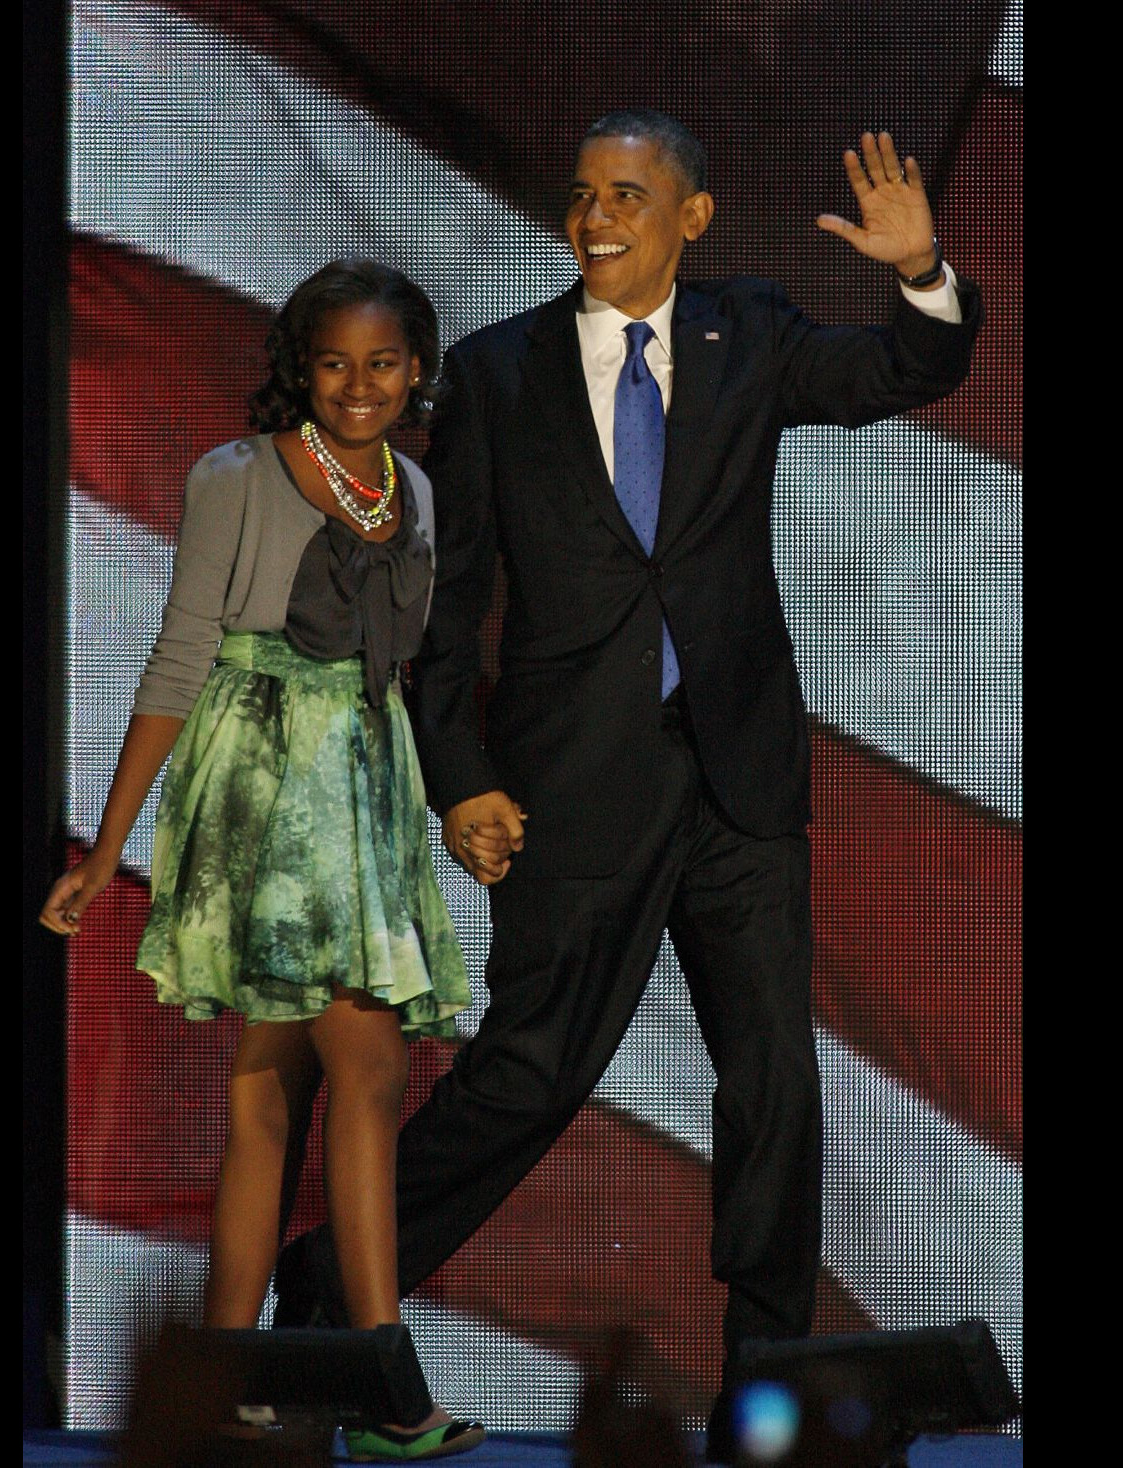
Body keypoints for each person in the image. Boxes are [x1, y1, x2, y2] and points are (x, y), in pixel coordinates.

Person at [273, 114, 982, 1463]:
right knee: (531, 1078)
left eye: (631, 196)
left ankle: (764, 1390)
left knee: (773, 1084)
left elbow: (903, 367)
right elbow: (449, 604)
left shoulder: (751, 335)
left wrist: (922, 274)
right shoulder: (494, 373)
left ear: (691, 220)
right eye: (585, 193)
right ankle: (323, 1306)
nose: (599, 216)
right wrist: (460, 782)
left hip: (738, 782)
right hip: (571, 790)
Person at [40, 258, 487, 1463]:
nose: (358, 386)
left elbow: (406, 674)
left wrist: (449, 807)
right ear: (302, 364)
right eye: (334, 362)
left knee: (273, 1088)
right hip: (265, 783)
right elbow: (181, 656)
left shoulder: (421, 497)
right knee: (371, 1067)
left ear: (415, 372)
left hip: (367, 790)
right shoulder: (234, 478)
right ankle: (385, 1383)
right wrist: (110, 847)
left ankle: (221, 1378)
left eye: (383, 364)